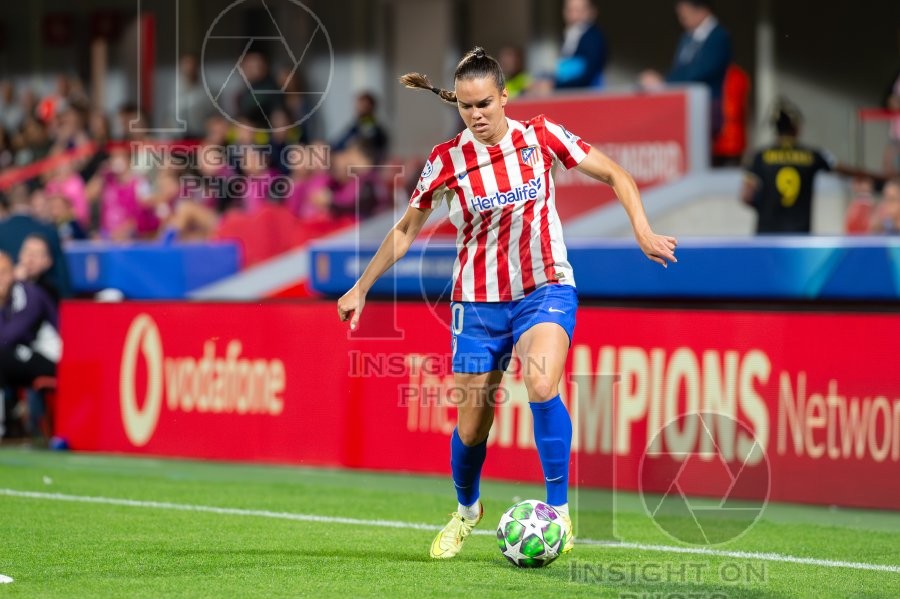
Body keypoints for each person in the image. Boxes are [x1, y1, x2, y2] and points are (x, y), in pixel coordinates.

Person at [336, 47, 677, 559]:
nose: (476, 115)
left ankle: (559, 512)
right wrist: (362, 286)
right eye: (466, 107)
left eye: (484, 105)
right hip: (476, 303)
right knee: (473, 424)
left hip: (545, 288)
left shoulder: (541, 136)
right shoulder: (446, 160)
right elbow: (407, 231)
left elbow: (615, 175)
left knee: (541, 382)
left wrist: (643, 230)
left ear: (504, 96)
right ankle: (467, 509)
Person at [742, 98, 881, 234]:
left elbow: (746, 196)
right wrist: (882, 177)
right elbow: (845, 169)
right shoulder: (812, 155)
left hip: (767, 232)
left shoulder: (759, 156)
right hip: (799, 232)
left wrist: (767, 205)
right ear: (796, 128)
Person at [640, 0, 732, 136]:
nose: (682, 20)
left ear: (701, 11)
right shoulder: (687, 37)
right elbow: (679, 68)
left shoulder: (719, 36)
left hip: (708, 105)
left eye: (685, 15)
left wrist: (664, 82)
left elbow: (701, 70)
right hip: (684, 106)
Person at [0, 251, 60, 440]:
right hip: (19, 355)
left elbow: (10, 336)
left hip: (51, 357)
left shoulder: (29, 295)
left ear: (13, 273)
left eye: (2, 273)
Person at [555, 0, 608, 90]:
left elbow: (588, 74)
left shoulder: (593, 37)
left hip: (586, 94)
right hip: (568, 92)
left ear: (591, 12)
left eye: (579, 10)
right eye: (570, 10)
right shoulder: (568, 35)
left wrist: (555, 86)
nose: (574, 16)